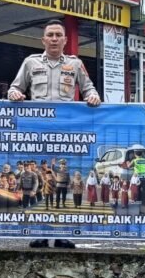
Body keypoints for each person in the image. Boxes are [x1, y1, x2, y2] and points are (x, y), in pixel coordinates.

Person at [8, 19, 102, 247]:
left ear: (65, 40)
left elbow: (90, 89)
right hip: (38, 132)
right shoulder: (30, 63)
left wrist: (93, 96)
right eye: (49, 35)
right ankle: (39, 233)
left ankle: (63, 235)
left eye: (58, 35)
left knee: (63, 183)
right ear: (43, 39)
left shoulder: (75, 64)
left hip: (66, 133)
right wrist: (13, 94)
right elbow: (14, 87)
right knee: (42, 184)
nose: (53, 39)